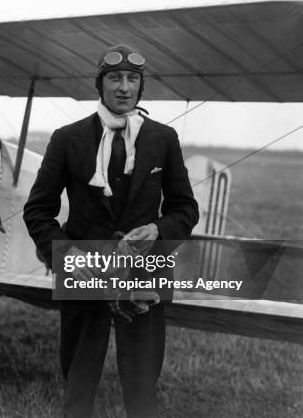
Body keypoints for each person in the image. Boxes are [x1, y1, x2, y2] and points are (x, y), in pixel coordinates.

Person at [23, 45, 199, 418]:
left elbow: (186, 208)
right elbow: (38, 210)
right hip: (83, 273)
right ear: (99, 84)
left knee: (142, 386)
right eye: (114, 78)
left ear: (140, 86)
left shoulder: (163, 139)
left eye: (132, 79)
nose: (124, 87)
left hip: (144, 273)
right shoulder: (67, 138)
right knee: (78, 382)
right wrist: (65, 254)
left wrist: (158, 229)